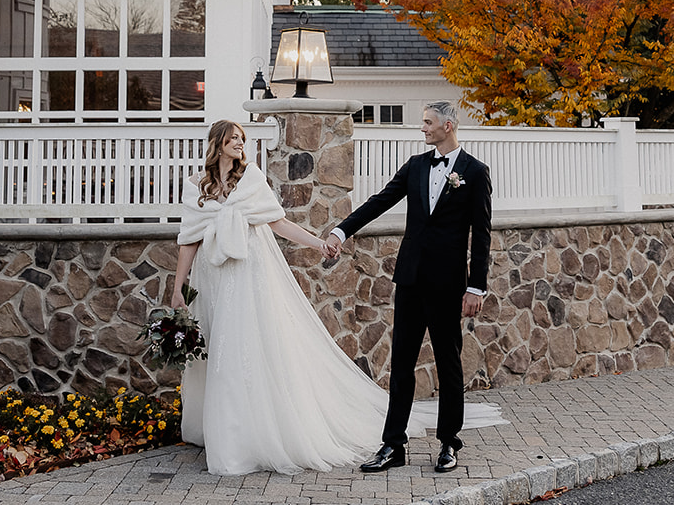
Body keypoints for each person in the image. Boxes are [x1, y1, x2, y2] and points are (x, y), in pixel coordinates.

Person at [171, 119, 398, 475]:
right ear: (217, 143)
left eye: (242, 140)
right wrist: (178, 289)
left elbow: (278, 223)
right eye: (233, 139)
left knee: (245, 350)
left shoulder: (252, 180)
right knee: (217, 349)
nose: (239, 145)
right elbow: (189, 240)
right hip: (214, 278)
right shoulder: (196, 188)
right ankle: (217, 429)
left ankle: (246, 437)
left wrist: (318, 242)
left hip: (247, 277)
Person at [324, 100, 491, 473]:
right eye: (424, 123)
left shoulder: (475, 173)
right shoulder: (416, 166)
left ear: (448, 126)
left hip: (449, 284)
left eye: (429, 123)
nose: (424, 129)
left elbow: (481, 235)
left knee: (449, 363)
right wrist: (341, 230)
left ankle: (449, 442)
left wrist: (476, 287)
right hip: (411, 279)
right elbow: (380, 201)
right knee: (401, 363)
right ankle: (392, 445)